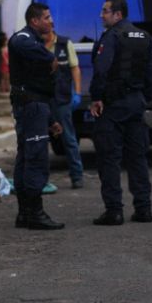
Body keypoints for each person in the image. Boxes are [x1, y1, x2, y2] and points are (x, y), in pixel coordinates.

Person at [89, 0, 152, 226]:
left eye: (105, 11)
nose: (101, 15)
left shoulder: (112, 37)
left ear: (118, 14)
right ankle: (144, 209)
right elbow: (150, 74)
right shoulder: (145, 37)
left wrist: (96, 97)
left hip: (113, 105)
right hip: (136, 103)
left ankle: (114, 211)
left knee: (109, 158)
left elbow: (101, 70)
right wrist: (143, 98)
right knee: (137, 158)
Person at [9, 3, 65, 230]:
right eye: (47, 18)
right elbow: (17, 43)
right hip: (30, 107)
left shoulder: (36, 41)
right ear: (34, 21)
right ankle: (34, 213)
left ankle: (25, 213)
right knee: (35, 160)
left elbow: (41, 87)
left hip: (37, 106)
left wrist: (51, 120)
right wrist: (48, 56)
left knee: (26, 159)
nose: (51, 22)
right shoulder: (24, 38)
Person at [42, 26, 85, 189]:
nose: (43, 36)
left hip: (62, 99)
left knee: (68, 138)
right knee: (40, 140)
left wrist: (78, 92)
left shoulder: (64, 44)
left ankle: (77, 175)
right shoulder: (36, 45)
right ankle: (42, 177)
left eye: (46, 33)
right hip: (42, 100)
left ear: (51, 30)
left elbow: (75, 68)